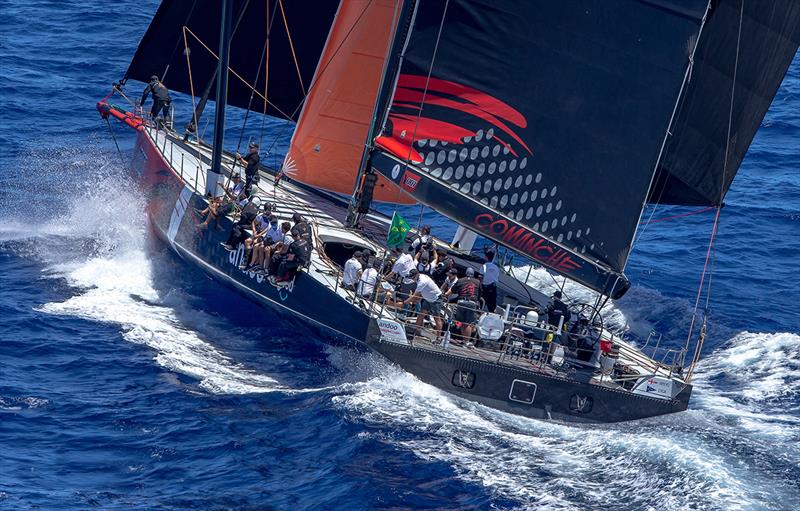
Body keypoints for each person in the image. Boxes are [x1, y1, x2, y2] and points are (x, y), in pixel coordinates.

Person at [400, 269, 444, 340]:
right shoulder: (419, 278)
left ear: (417, 275)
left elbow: (414, 296)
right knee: (421, 314)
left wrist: (404, 303)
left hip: (436, 299)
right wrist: (419, 299)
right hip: (427, 298)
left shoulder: (422, 281)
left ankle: (438, 338)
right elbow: (422, 292)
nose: (412, 279)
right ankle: (417, 331)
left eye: (412, 277)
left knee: (437, 318)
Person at [451, 267, 482, 341]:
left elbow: (453, 290)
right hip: (472, 303)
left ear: (466, 273)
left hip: (461, 302)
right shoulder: (477, 282)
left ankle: (463, 339)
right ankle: (466, 341)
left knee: (461, 322)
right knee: (468, 323)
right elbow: (480, 293)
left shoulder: (460, 280)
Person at [481, 247, 500, 312]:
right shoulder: (496, 267)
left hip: (485, 288)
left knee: (481, 303)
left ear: (486, 257)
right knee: (492, 306)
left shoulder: (484, 266)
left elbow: (481, 278)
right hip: (493, 288)